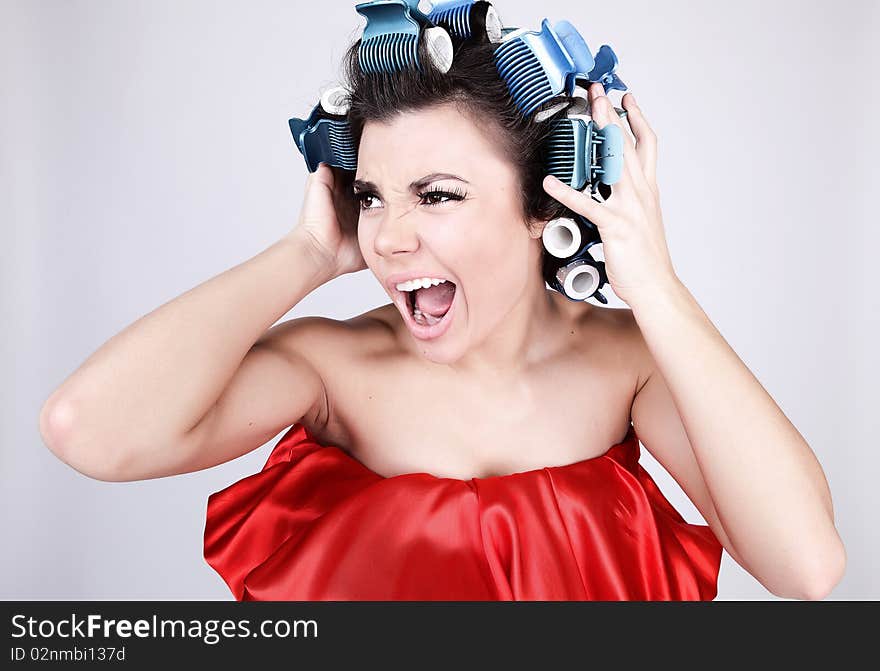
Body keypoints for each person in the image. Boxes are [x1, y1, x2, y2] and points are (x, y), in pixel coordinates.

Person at [38, 11, 845, 602]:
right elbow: (88, 430)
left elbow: (806, 568)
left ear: (542, 207)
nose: (388, 237)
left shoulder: (628, 367)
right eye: (373, 196)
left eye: (436, 195)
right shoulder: (332, 370)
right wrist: (308, 255)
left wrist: (657, 286)